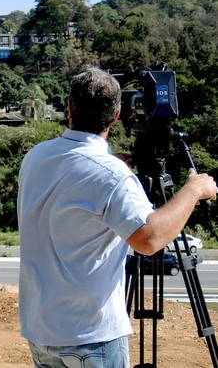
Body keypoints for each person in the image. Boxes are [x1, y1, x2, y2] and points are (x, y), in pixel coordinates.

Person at [17, 66, 218, 368]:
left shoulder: (36, 157)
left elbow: (77, 182)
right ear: (117, 114)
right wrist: (192, 191)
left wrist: (113, 168)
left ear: (69, 107)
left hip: (41, 330)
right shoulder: (111, 175)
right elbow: (148, 239)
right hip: (90, 336)